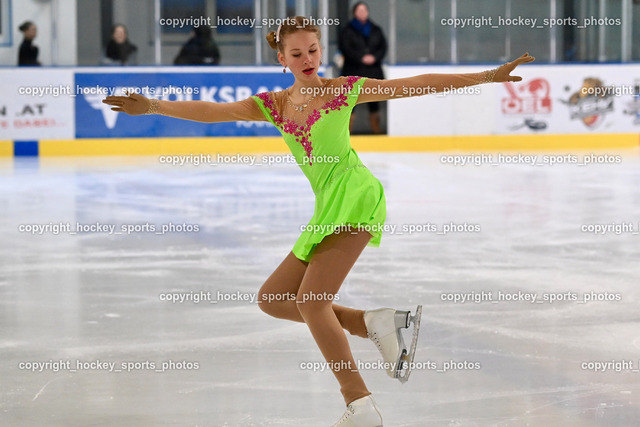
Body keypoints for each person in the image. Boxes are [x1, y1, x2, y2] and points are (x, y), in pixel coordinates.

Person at [103, 16, 534, 426]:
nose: (307, 59)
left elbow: (415, 85)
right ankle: (373, 323)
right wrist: (154, 106)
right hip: (328, 206)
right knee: (273, 299)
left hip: (356, 196)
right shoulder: (272, 105)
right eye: (297, 54)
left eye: (313, 50)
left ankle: (358, 402)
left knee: (311, 301)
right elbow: (214, 111)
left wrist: (486, 76)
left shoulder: (342, 91)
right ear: (282, 59)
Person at [339, 2, 386, 134]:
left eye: (364, 10)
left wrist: (374, 57)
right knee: (350, 100)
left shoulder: (376, 29)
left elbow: (383, 47)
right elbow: (345, 48)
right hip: (353, 70)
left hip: (373, 71)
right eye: (359, 10)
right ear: (354, 13)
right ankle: (346, 131)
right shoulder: (347, 30)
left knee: (374, 101)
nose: (362, 13)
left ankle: (376, 129)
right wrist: (361, 57)